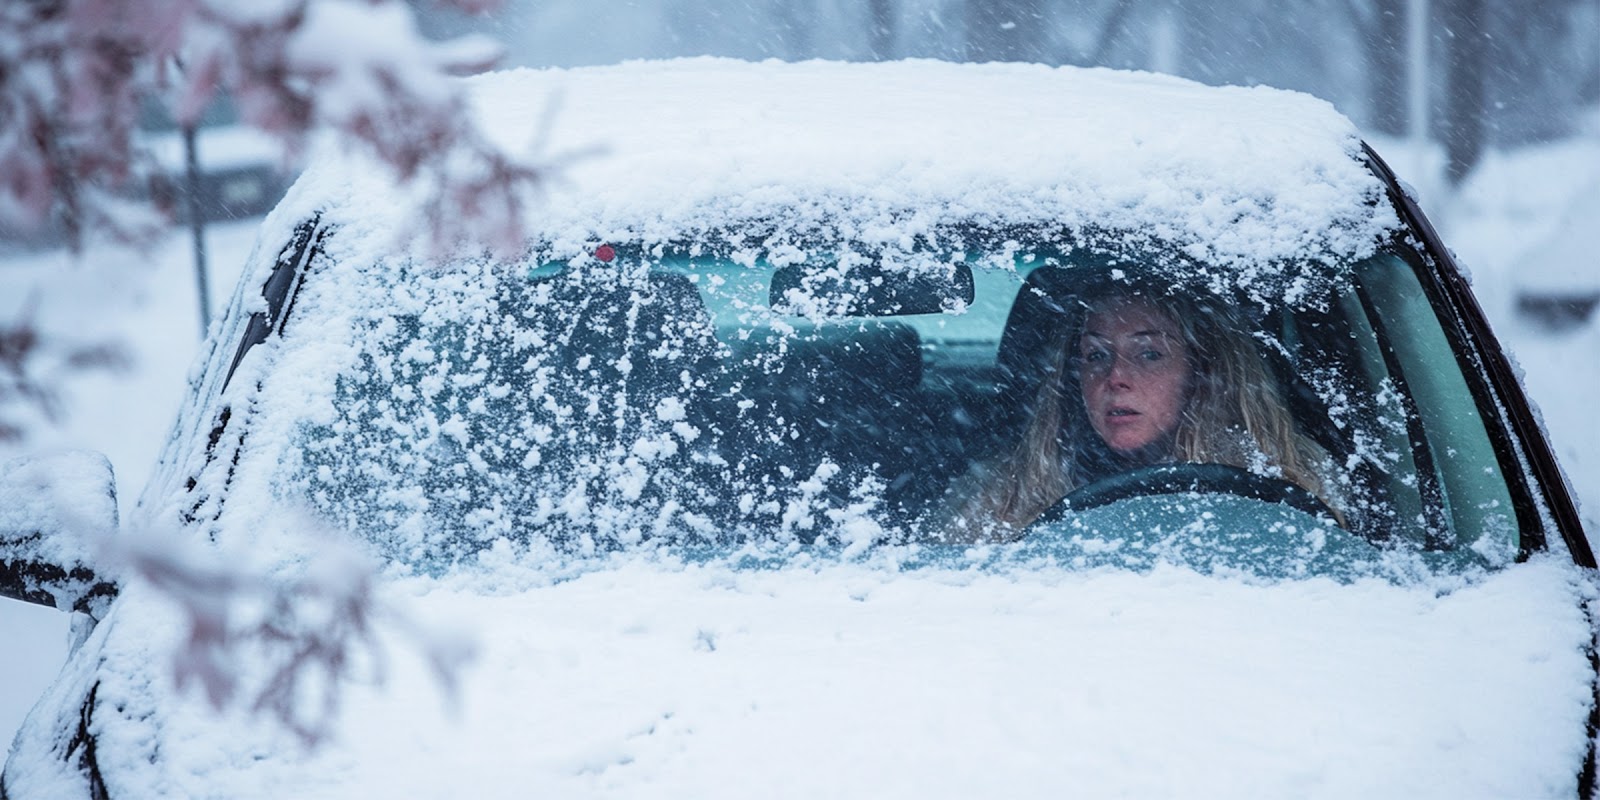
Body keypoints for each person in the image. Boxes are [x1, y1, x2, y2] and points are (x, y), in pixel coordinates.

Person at [952, 282, 1337, 539]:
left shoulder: (1296, 483)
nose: (1116, 377)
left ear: (1202, 372)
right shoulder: (1002, 500)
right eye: (1096, 355)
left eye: (1149, 354)